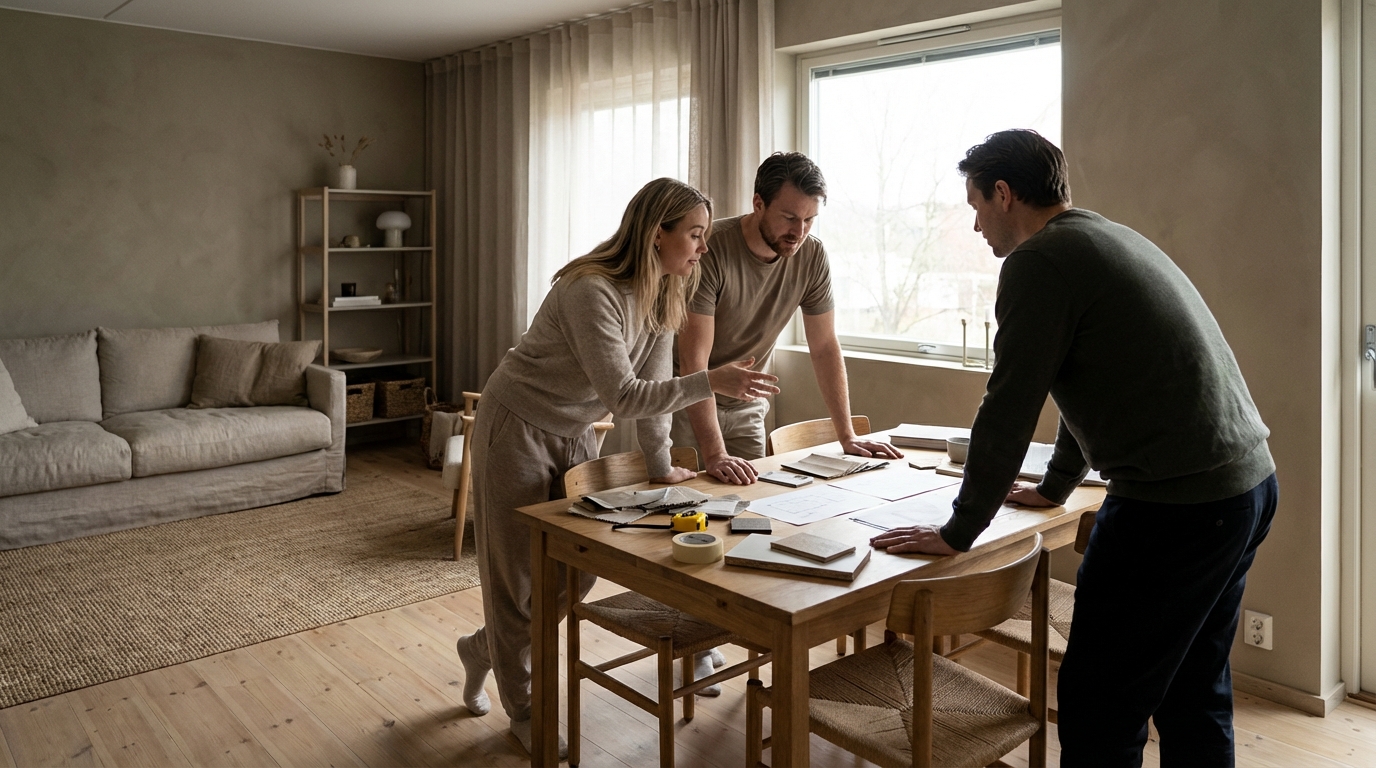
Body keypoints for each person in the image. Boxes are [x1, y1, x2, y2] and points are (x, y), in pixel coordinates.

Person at [869, 129, 1277, 766]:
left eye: (976, 207)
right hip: (1245, 488)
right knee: (1194, 692)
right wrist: (1055, 488)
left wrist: (958, 531)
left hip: (1175, 508)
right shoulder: (1104, 236)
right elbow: (1087, 387)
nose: (976, 226)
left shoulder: (1039, 261)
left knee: (1098, 709)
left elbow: (1008, 407)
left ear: (1004, 194)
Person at [454, 178, 780, 759]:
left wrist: (662, 466)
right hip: (516, 425)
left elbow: (654, 389)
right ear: (657, 234)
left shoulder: (663, 290)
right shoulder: (591, 290)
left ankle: (484, 649)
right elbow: (625, 396)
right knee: (517, 581)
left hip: (575, 431)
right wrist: (711, 380)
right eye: (695, 235)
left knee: (575, 572)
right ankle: (524, 710)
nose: (704, 247)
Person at [673, 152, 900, 484]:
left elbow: (824, 347)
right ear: (758, 204)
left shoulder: (812, 256)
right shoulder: (710, 250)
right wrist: (715, 453)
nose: (799, 231)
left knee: (752, 500)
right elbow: (694, 363)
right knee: (689, 505)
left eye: (810, 220)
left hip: (747, 404)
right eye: (790, 217)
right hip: (686, 401)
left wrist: (847, 436)